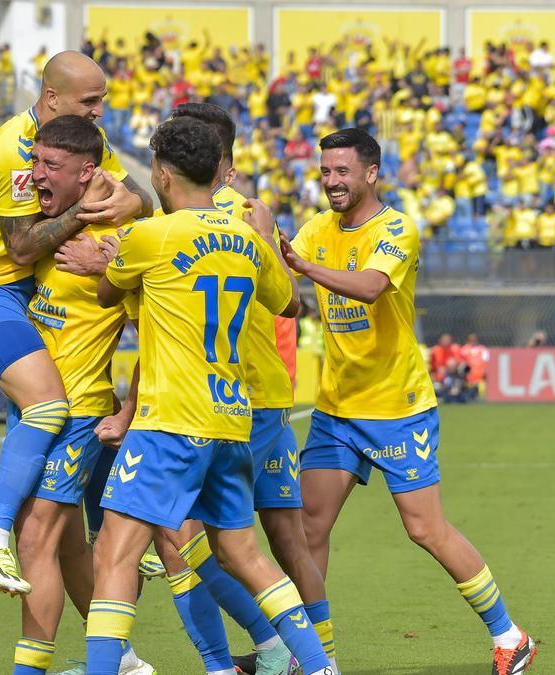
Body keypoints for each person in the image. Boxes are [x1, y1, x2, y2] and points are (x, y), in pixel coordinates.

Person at [281, 128, 536, 674]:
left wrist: (301, 270)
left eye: (342, 171)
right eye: (325, 171)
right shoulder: (316, 229)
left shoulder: (396, 229)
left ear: (371, 174)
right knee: (308, 528)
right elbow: (281, 275)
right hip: (337, 410)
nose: (331, 182)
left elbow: (371, 286)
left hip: (398, 410)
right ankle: (316, 658)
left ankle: (511, 636)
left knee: (425, 529)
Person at [87, 116, 333, 675]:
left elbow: (108, 293)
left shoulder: (152, 235)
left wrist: (112, 255)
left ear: (164, 174)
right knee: (245, 555)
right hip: (231, 419)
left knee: (115, 556)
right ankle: (319, 667)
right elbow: (285, 300)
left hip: (170, 420)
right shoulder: (247, 236)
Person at [0, 50, 152, 595]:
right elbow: (19, 247)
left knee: (89, 412)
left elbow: (147, 199)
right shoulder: (14, 150)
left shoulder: (83, 138)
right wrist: (86, 211)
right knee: (50, 405)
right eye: (91, 101)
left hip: (33, 291)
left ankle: (119, 643)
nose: (100, 112)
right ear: (51, 97)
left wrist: (125, 201)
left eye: (103, 101)